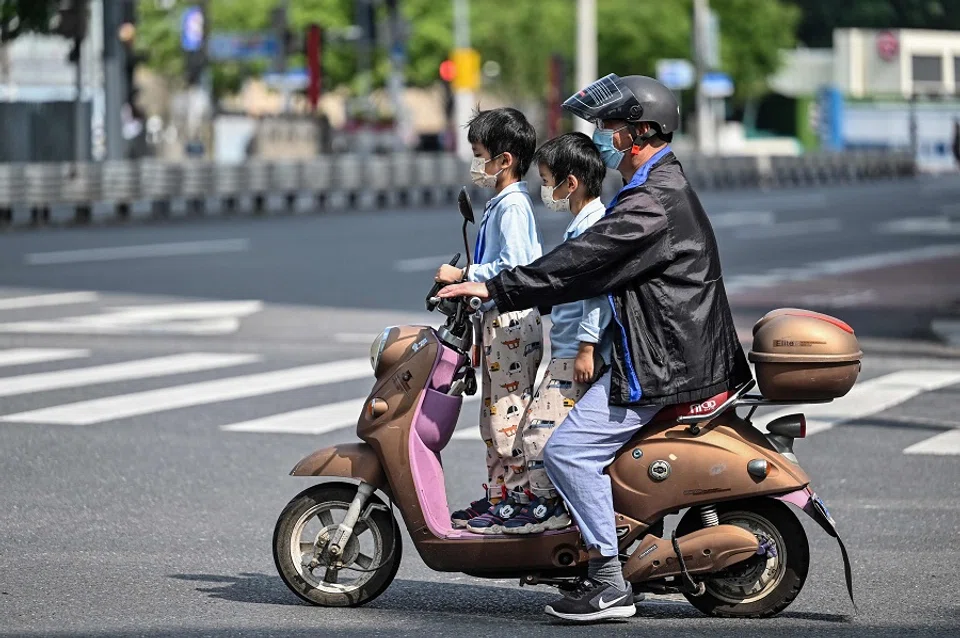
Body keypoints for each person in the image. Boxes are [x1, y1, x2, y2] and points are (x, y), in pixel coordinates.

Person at [438, 74, 752, 622]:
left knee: (564, 451)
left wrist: (496, 285)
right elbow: (586, 275)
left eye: (610, 126)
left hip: (664, 361)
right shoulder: (654, 189)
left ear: (640, 132)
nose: (603, 137)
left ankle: (609, 582)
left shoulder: (652, 201)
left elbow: (582, 263)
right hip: (665, 350)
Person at [433, 107, 544, 534]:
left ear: (505, 159)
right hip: (501, 323)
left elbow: (514, 267)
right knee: (493, 418)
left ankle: (517, 498)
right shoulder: (501, 203)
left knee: (508, 417)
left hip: (513, 323)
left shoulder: (513, 206)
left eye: (481, 154)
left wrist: (463, 276)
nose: (477, 164)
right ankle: (499, 495)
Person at [499, 132, 612, 535]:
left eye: (548, 181)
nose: (546, 190)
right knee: (537, 428)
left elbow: (598, 295)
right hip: (563, 348)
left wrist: (586, 348)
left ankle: (552, 511)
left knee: (536, 435)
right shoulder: (583, 225)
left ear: (571, 183)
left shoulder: (593, 228)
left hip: (573, 354)